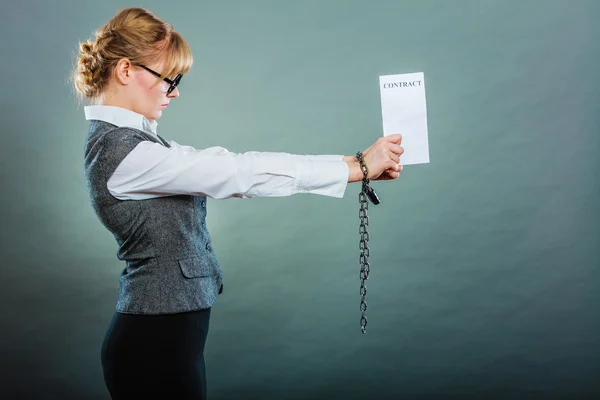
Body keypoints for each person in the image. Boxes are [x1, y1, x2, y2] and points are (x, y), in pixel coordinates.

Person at [72, 7, 404, 400]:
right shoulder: (123, 153)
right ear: (126, 70)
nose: (175, 91)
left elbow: (218, 161)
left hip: (169, 338)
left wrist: (356, 165)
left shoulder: (139, 145)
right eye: (169, 78)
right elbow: (239, 172)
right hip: (153, 346)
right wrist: (356, 168)